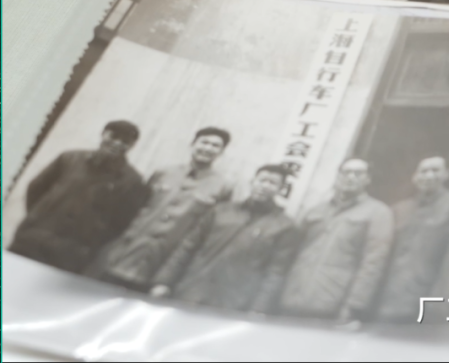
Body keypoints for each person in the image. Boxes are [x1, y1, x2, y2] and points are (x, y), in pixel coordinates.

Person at [89, 127, 235, 293]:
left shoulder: (223, 187)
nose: (208, 148)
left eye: (215, 146)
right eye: (204, 142)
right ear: (193, 144)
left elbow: (204, 231)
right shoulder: (163, 173)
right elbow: (136, 209)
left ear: (222, 152)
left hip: (159, 265)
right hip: (125, 253)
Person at [150, 164, 299, 314]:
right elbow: (187, 247)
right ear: (252, 182)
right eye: (262, 180)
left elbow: (275, 273)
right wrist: (163, 282)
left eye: (273, 183)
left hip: (233, 304)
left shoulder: (284, 227)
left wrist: (257, 310)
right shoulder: (221, 211)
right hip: (191, 292)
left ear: (281, 190)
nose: (265, 186)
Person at [8, 121, 149, 274]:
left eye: (125, 141)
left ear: (132, 145)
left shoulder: (132, 181)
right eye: (113, 136)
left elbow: (120, 223)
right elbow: (36, 188)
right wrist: (39, 219)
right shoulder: (68, 158)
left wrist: (87, 244)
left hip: (70, 253)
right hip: (32, 239)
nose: (117, 143)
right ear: (103, 134)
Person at [277, 159, 393, 322]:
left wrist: (354, 305)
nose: (350, 177)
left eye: (358, 173)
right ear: (338, 176)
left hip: (331, 305)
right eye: (346, 172)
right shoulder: (316, 210)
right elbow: (291, 253)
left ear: (368, 179)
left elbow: (373, 263)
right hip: (290, 300)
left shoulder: (378, 212)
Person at [378, 156, 449, 322]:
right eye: (424, 171)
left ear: (446, 174)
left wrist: (440, 298)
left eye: (435, 170)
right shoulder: (400, 209)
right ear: (415, 177)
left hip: (424, 301)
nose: (429, 176)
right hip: (387, 299)